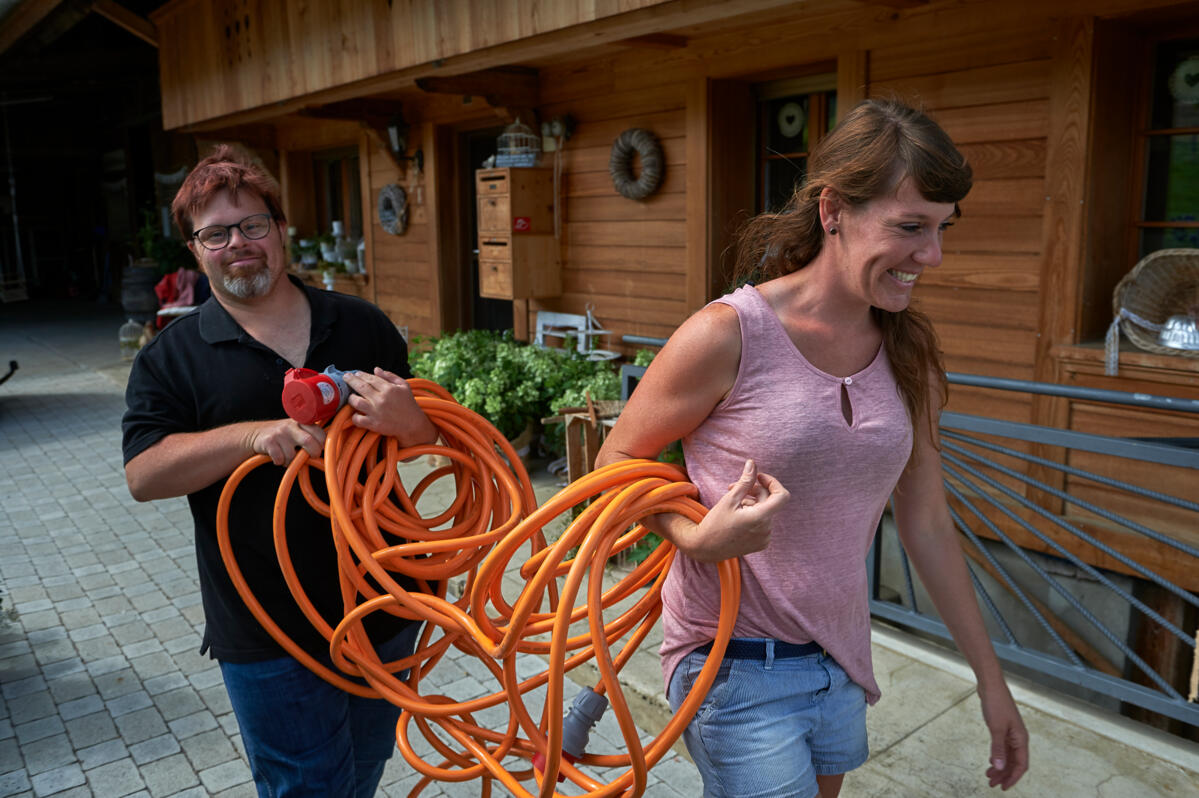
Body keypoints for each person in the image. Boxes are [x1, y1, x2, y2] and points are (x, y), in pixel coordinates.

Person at [595, 99, 1029, 798]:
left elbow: (925, 522)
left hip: (840, 664)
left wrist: (991, 681)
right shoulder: (728, 333)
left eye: (942, 228)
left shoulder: (908, 350)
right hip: (732, 664)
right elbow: (614, 462)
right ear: (833, 211)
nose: (932, 255)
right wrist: (691, 536)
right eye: (910, 227)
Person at [122, 145, 438, 798]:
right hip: (267, 629)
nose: (237, 243)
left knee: (363, 770)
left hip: (384, 605)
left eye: (252, 224)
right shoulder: (172, 357)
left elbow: (430, 440)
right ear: (195, 250)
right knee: (305, 788)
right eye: (215, 233)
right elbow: (144, 475)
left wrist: (413, 424)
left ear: (281, 229)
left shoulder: (361, 323)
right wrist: (250, 436)